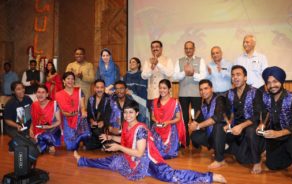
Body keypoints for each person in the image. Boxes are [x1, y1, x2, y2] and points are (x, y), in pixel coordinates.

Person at [74, 100, 226, 183]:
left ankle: (210, 177)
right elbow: (128, 140)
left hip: (147, 162)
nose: (127, 115)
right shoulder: (126, 125)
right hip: (130, 159)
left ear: (137, 113)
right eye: (125, 112)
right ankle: (82, 160)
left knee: (172, 176)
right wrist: (111, 138)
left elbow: (139, 152)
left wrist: (118, 146)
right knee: (108, 161)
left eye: (131, 112)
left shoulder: (140, 128)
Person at [260, 66, 292, 183]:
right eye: (269, 83)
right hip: (275, 140)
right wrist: (261, 125)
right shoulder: (265, 98)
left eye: (275, 81)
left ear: (282, 82)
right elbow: (264, 116)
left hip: (291, 136)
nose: (272, 86)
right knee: (272, 165)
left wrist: (279, 133)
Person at [224, 65, 264, 174]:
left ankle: (257, 161)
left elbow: (257, 115)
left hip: (251, 125)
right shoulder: (230, 93)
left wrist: (241, 126)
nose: (235, 78)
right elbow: (231, 112)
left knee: (250, 131)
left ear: (245, 77)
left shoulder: (255, 92)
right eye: (233, 75)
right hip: (237, 126)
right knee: (242, 159)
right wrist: (229, 123)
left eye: (238, 75)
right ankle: (233, 151)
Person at [173, 41, 207, 146]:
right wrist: (184, 73)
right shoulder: (179, 61)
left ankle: (197, 143)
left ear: (194, 48)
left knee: (196, 117)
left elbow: (204, 76)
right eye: (186, 48)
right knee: (184, 118)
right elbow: (174, 77)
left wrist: (193, 73)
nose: (188, 50)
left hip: (197, 93)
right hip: (183, 93)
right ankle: (184, 142)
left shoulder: (200, 60)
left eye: (190, 48)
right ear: (184, 49)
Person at [189, 79, 226, 169]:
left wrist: (198, 126)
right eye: (201, 90)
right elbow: (199, 119)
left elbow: (216, 118)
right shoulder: (204, 104)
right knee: (194, 136)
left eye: (206, 88)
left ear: (211, 89)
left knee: (218, 126)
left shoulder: (220, 99)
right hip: (213, 134)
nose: (203, 91)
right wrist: (193, 124)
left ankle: (219, 160)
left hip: (226, 132)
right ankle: (217, 147)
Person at [151, 79, 186, 159]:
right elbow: (152, 116)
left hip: (170, 129)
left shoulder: (174, 102)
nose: (162, 90)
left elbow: (178, 118)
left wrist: (168, 122)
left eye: (164, 88)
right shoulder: (155, 101)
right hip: (157, 128)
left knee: (167, 153)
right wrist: (156, 121)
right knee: (154, 152)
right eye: (160, 88)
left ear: (169, 89)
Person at [55, 72, 90, 151]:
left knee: (86, 135)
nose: (70, 81)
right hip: (67, 119)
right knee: (71, 147)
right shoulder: (58, 95)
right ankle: (76, 139)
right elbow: (62, 112)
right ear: (63, 81)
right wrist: (68, 114)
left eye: (72, 79)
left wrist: (83, 111)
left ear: (74, 81)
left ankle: (80, 138)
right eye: (68, 79)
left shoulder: (79, 91)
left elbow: (82, 106)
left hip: (79, 118)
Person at [141, 40, 173, 122]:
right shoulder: (147, 61)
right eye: (153, 47)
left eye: (157, 47)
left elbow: (169, 73)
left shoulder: (167, 59)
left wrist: (158, 64)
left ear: (161, 48)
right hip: (151, 95)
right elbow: (144, 76)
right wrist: (151, 68)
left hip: (164, 96)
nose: (155, 49)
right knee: (153, 120)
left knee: (165, 119)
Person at [29, 85, 61, 154]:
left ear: (47, 94)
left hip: (52, 130)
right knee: (37, 149)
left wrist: (49, 126)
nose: (40, 94)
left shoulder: (54, 104)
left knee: (44, 136)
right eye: (38, 92)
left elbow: (59, 121)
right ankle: (47, 145)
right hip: (38, 130)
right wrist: (30, 129)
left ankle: (50, 144)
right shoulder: (34, 105)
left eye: (43, 92)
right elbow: (33, 120)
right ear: (36, 94)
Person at [3, 81, 33, 151]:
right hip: (14, 128)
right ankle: (13, 144)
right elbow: (7, 120)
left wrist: (31, 128)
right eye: (18, 89)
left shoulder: (28, 99)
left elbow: (32, 114)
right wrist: (17, 126)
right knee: (25, 144)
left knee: (32, 141)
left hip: (26, 125)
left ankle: (18, 142)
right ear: (13, 91)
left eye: (22, 88)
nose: (22, 90)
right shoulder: (10, 103)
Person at [85, 79, 112, 150]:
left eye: (101, 87)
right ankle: (102, 143)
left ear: (104, 88)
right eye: (97, 87)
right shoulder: (91, 99)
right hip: (93, 126)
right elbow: (89, 113)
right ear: (94, 88)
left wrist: (103, 122)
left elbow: (110, 114)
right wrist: (91, 121)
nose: (99, 89)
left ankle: (104, 143)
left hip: (105, 126)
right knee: (88, 144)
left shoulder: (109, 99)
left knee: (97, 133)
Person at [123, 57, 149, 126]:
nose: (131, 63)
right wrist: (126, 91)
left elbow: (143, 88)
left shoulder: (143, 75)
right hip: (129, 101)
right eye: (130, 62)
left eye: (133, 62)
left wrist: (133, 94)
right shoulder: (126, 75)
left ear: (138, 64)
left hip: (141, 101)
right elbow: (123, 86)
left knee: (141, 121)